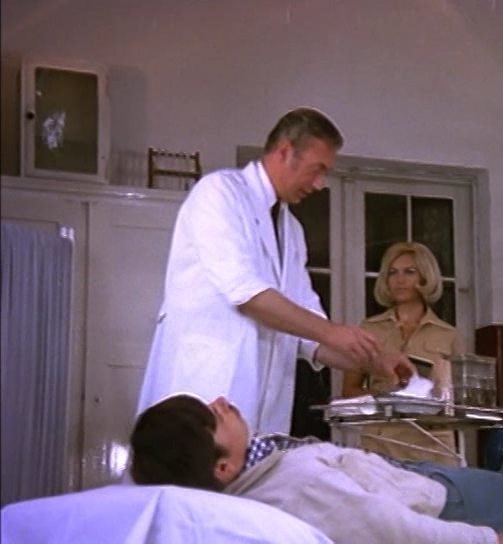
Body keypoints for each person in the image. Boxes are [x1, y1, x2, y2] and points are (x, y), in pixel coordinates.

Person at [136, 108, 413, 434]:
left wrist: (374, 360)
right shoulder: (220, 193)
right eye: (317, 170)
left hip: (261, 411)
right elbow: (247, 294)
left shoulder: (291, 230)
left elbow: (309, 333)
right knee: (194, 463)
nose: (320, 184)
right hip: (204, 393)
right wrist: (331, 332)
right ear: (284, 151)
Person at [129, 394, 503, 544]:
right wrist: (484, 540)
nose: (223, 402)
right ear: (223, 467)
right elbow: (390, 528)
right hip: (442, 505)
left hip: (411, 477)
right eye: (213, 416)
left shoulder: (256, 471)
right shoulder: (296, 490)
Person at [341, 241, 464, 465]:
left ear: (425, 277)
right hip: (380, 445)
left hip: (432, 446)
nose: (399, 279)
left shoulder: (449, 334)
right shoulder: (370, 328)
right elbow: (349, 390)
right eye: (393, 273)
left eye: (409, 272)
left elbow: (458, 401)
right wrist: (385, 399)